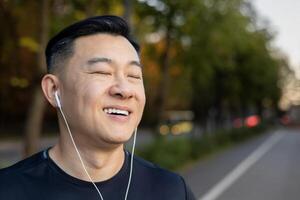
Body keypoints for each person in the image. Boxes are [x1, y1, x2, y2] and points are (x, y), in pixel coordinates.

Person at [0, 15, 196, 200]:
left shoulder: (172, 190)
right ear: (53, 90)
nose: (124, 90)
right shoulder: (8, 190)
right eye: (102, 72)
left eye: (134, 75)